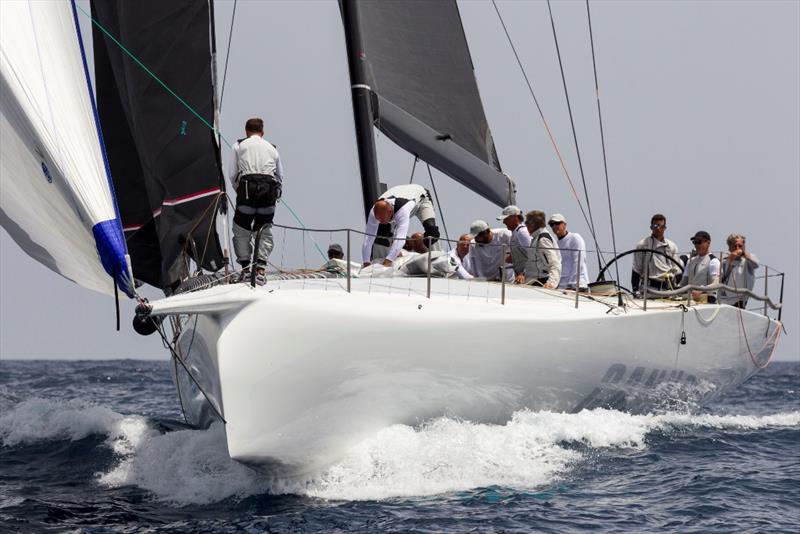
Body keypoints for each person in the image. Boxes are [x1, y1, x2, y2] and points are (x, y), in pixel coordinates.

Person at [227, 118, 284, 282]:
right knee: (264, 229)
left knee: (241, 228)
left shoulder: (238, 145)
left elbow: (232, 173)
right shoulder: (272, 149)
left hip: (246, 191)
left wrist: (238, 189)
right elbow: (280, 176)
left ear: (246, 131)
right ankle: (260, 269)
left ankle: (245, 269)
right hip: (268, 193)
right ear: (262, 132)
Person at [361, 184, 440, 267]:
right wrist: (366, 262)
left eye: (383, 219)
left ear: (390, 212)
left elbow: (400, 239)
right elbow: (368, 238)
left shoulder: (402, 210)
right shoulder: (374, 213)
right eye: (379, 219)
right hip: (399, 193)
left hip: (422, 199)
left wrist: (388, 261)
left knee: (432, 233)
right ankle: (379, 261)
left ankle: (436, 262)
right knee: (382, 234)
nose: (380, 221)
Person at [631, 213, 683, 293]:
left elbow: (677, 271)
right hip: (648, 290)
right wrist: (635, 290)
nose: (658, 229)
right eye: (656, 226)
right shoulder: (643, 245)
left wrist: (679, 291)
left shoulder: (672, 246)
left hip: (668, 291)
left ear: (665, 228)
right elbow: (636, 269)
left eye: (661, 226)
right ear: (651, 227)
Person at [549, 213, 588, 290]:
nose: (554, 226)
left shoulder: (575, 238)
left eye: (557, 223)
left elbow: (578, 262)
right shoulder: (556, 244)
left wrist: (572, 284)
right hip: (562, 287)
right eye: (551, 224)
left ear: (564, 225)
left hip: (577, 286)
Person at [522, 210, 561, 288]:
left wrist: (551, 284)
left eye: (526, 223)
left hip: (541, 282)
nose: (526, 226)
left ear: (532, 225)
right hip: (533, 282)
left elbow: (554, 264)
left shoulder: (542, 240)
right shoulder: (536, 238)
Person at [719, 234, 759, 308]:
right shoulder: (724, 260)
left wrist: (744, 254)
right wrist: (730, 260)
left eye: (740, 246)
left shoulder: (749, 259)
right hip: (726, 299)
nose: (737, 248)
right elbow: (721, 277)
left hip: (742, 300)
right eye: (735, 246)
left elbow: (756, 265)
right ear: (730, 248)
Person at [680, 231, 720, 303]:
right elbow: (683, 283)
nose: (696, 245)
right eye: (694, 242)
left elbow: (716, 283)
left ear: (708, 243)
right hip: (690, 300)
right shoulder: (691, 261)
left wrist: (701, 289)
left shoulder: (713, 261)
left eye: (699, 242)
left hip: (707, 301)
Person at [497, 205, 531, 282]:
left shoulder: (522, 232)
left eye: (506, 219)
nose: (504, 222)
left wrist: (523, 274)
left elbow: (534, 256)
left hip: (528, 277)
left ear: (515, 217)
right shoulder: (515, 233)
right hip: (521, 276)